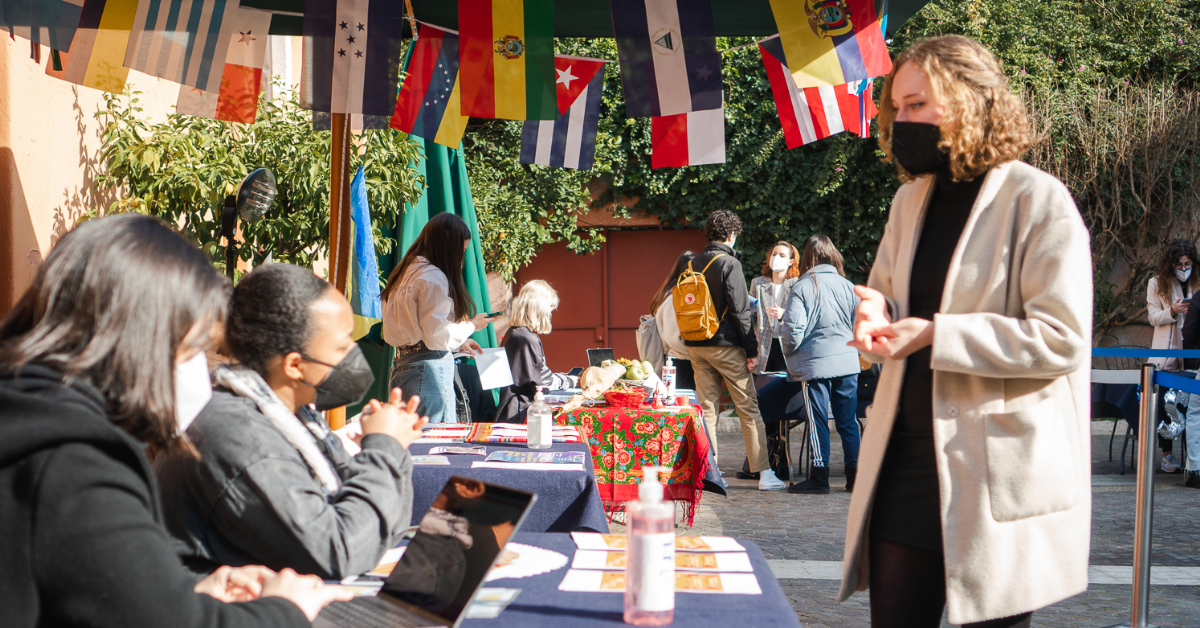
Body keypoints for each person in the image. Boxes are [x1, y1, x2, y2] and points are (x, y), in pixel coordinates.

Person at [841, 36, 1092, 628]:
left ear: (969, 102)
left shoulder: (1039, 201)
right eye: (896, 108)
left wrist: (936, 334)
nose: (902, 120)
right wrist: (873, 316)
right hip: (902, 461)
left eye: (917, 105)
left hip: (994, 472)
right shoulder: (910, 199)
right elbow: (883, 295)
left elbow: (1062, 338)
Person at [0, 214, 352, 627]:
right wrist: (285, 610)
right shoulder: (75, 461)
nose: (203, 370)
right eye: (196, 350)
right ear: (143, 340)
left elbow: (98, 590)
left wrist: (182, 592)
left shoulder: (31, 414)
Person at [156, 263, 426, 580]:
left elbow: (377, 529)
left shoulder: (295, 415)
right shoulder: (241, 434)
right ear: (295, 365)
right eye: (343, 346)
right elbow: (338, 551)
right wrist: (385, 448)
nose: (354, 354)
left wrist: (390, 448)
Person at [682, 210, 786, 491]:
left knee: (706, 409)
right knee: (748, 409)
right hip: (726, 345)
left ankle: (709, 472)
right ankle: (764, 473)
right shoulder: (729, 263)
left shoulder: (691, 262)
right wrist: (751, 350)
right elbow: (741, 311)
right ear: (731, 234)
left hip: (696, 345)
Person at [381, 213, 496, 423]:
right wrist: (472, 325)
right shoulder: (432, 276)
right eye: (461, 251)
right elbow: (436, 336)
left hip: (402, 365)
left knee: (410, 439)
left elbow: (415, 332)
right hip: (427, 369)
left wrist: (456, 343)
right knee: (434, 441)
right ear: (448, 248)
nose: (461, 258)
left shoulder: (403, 273)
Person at [780, 235, 862, 495]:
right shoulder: (849, 286)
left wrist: (790, 353)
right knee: (848, 421)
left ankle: (819, 478)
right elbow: (860, 326)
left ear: (806, 257)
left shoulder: (803, 287)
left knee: (817, 421)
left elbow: (793, 331)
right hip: (848, 362)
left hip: (816, 364)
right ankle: (855, 478)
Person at [1146, 239, 1198, 472]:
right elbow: (1153, 317)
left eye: (1188, 264)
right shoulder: (1156, 283)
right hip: (1166, 355)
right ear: (1170, 264)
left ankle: (1193, 457)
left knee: (1192, 405)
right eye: (1180, 264)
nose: (1184, 269)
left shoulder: (1196, 282)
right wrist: (1172, 311)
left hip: (1192, 355)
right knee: (1166, 403)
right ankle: (1167, 455)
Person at [496, 280, 576, 422]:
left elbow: (534, 372)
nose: (551, 314)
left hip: (512, 408)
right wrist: (570, 381)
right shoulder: (526, 338)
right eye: (550, 308)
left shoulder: (515, 333)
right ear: (540, 308)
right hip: (521, 413)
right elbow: (543, 382)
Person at [648, 252, 698, 391]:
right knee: (682, 406)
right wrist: (699, 349)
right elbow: (673, 338)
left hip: (682, 360)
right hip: (680, 361)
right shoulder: (674, 296)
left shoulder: (677, 293)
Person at [750, 241, 801, 374]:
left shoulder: (798, 284)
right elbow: (750, 316)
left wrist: (784, 314)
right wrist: (749, 349)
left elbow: (803, 315)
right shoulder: (757, 283)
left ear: (790, 261)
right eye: (774, 254)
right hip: (763, 345)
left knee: (785, 388)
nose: (776, 258)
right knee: (762, 388)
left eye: (782, 255)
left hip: (787, 345)